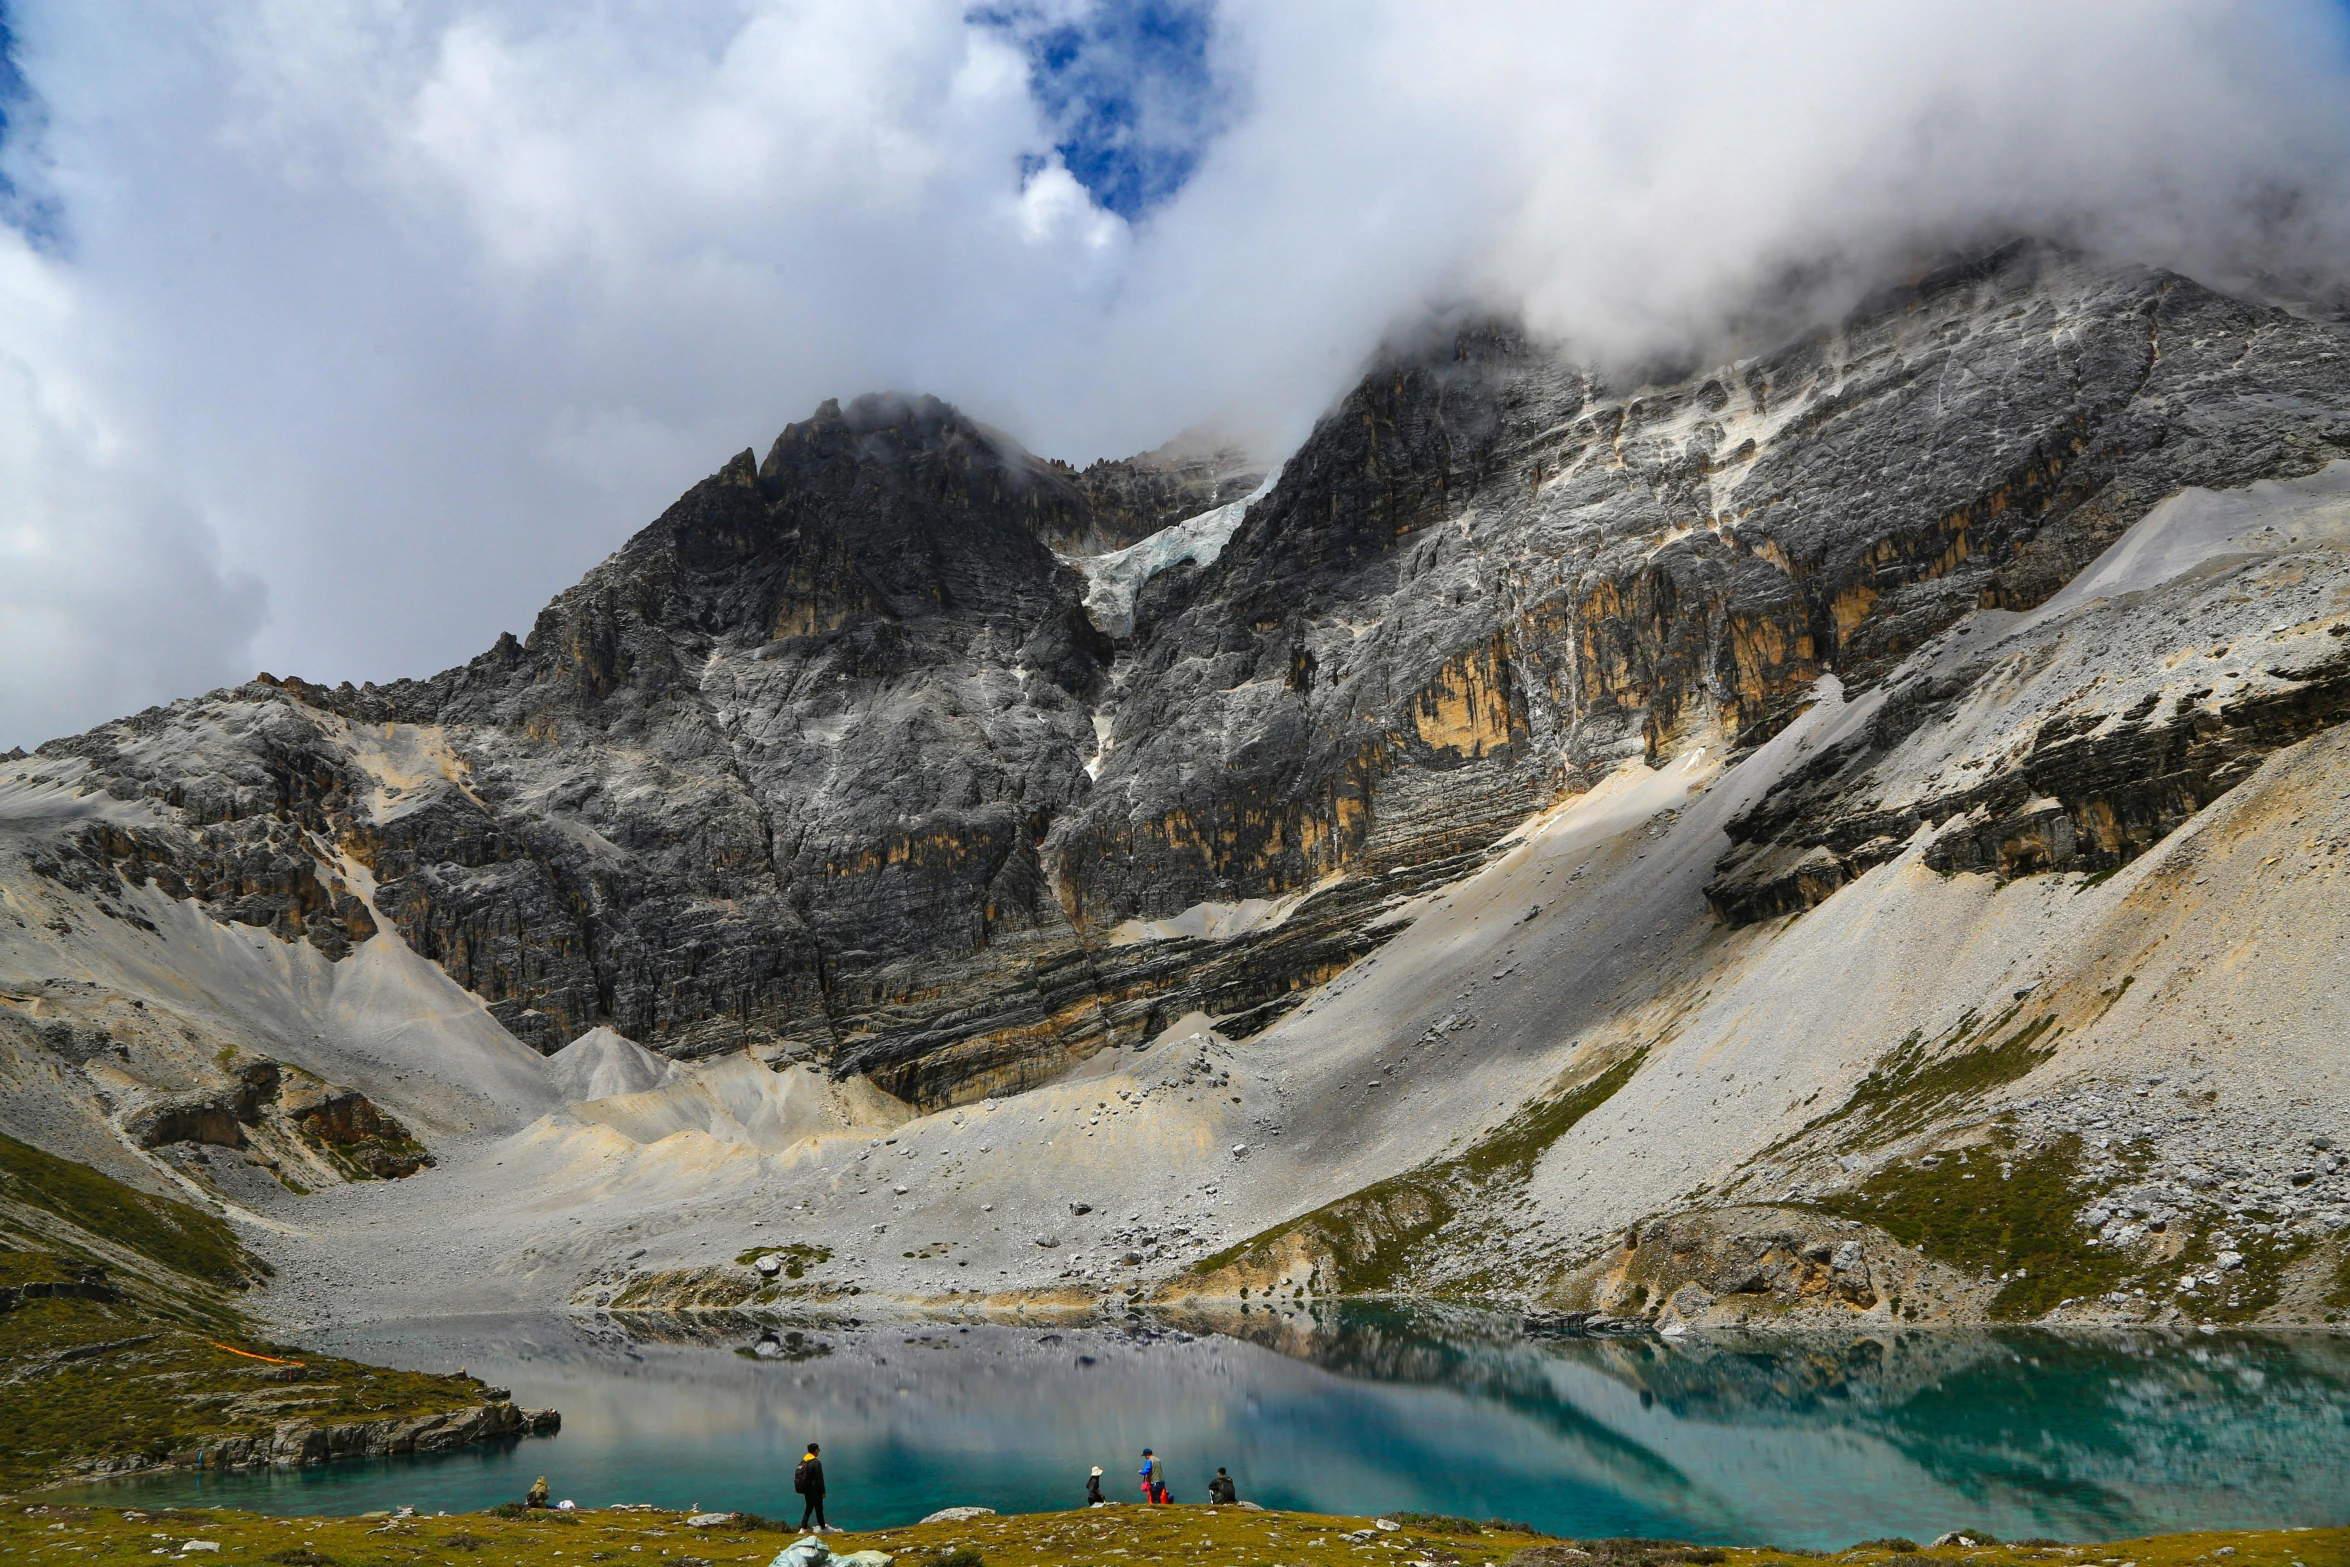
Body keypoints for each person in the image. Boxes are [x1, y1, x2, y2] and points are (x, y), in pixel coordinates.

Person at [794, 1441, 828, 1531]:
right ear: (816, 1450)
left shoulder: (804, 1461)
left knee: (808, 1508)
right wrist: (823, 1492)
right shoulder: (816, 1462)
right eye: (818, 1450)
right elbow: (819, 1478)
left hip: (806, 1490)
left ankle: (803, 1528)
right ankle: (823, 1528)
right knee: (819, 1509)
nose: (819, 1452)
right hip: (815, 1490)